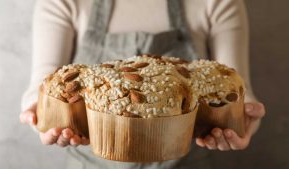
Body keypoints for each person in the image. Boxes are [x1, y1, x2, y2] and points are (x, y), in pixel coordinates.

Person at [20, 0, 266, 168]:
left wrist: (243, 120)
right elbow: (42, 87)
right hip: (88, 163)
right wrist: (40, 117)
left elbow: (236, 90)